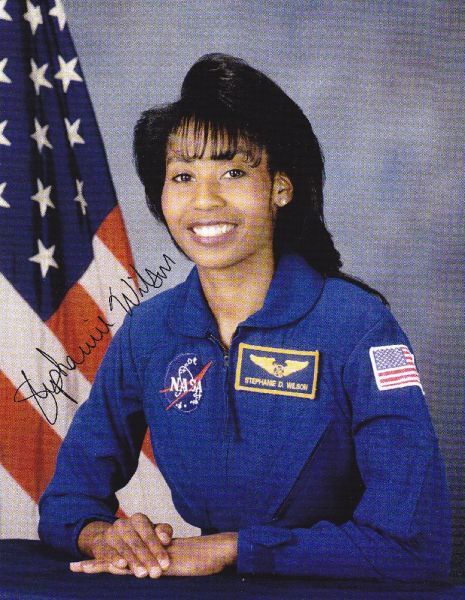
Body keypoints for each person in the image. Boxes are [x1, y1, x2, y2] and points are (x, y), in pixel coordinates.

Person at [39, 53, 451, 581]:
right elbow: (66, 502)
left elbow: (416, 544)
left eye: (233, 172)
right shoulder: (150, 331)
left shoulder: (360, 328)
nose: (204, 200)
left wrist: (238, 549)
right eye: (182, 176)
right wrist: (104, 535)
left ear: (281, 187)